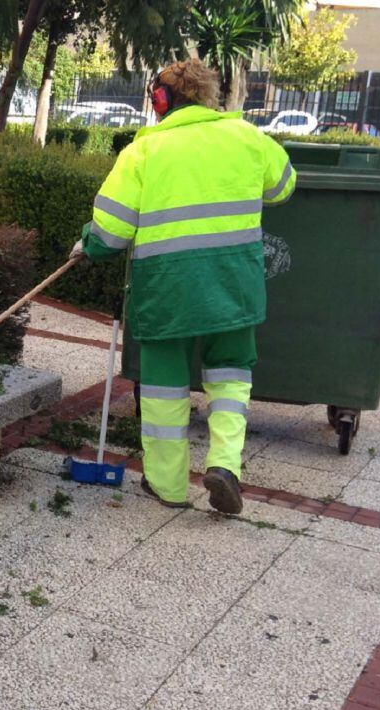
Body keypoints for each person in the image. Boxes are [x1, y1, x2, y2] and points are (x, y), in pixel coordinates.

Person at [71, 58, 295, 514]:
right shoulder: (249, 138)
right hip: (234, 285)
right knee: (231, 373)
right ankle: (226, 465)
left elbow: (111, 231)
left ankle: (168, 486)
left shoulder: (144, 152)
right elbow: (284, 186)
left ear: (161, 101)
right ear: (210, 97)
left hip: (167, 290)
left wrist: (88, 245)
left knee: (163, 389)